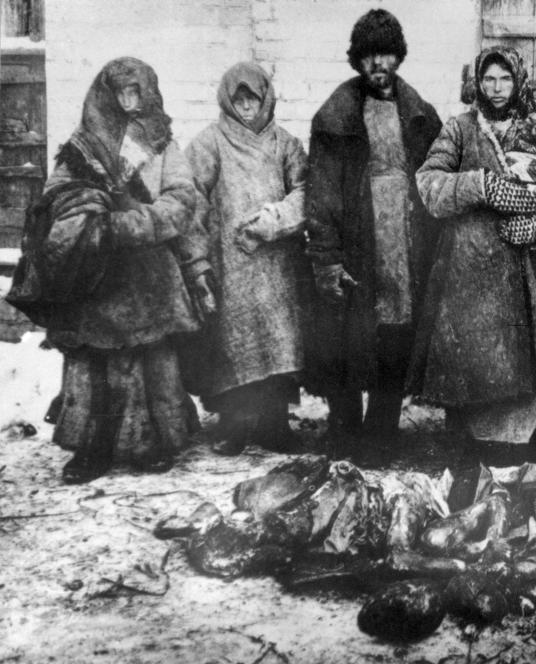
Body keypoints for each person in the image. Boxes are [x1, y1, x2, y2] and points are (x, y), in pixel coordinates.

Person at [6, 57, 212, 483]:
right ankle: (91, 448)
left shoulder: (161, 143)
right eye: (122, 92)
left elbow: (181, 199)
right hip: (97, 273)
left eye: (137, 92)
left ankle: (146, 443)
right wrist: (92, 224)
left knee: (148, 359)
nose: (130, 100)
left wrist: (133, 224)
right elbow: (58, 195)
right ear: (107, 94)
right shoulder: (81, 145)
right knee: (92, 362)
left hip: (148, 274)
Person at [410, 45, 536, 462]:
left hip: (523, 278)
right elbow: (429, 186)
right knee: (473, 371)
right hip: (468, 277)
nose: (497, 88)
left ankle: (514, 449)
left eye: (505, 79)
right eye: (489, 79)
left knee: (519, 372)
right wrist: (479, 185)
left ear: (518, 82)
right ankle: (472, 451)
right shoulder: (460, 130)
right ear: (477, 83)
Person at [305, 9, 442, 458]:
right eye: (368, 56)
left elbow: (435, 179)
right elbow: (322, 195)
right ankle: (343, 431)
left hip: (404, 242)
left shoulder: (421, 114)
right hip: (358, 242)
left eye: (386, 53)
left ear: (398, 56)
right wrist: (326, 258)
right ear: (357, 61)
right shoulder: (336, 116)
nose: (378, 64)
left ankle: (382, 431)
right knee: (345, 339)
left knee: (395, 336)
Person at [184, 62, 312, 456]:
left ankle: (276, 426)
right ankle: (235, 426)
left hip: (277, 268)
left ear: (266, 100)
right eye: (238, 98)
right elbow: (189, 203)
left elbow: (308, 191)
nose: (246, 106)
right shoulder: (209, 144)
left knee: (278, 348)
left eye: (253, 98)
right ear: (227, 99)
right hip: (230, 266)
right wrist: (198, 263)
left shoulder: (285, 144)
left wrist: (277, 220)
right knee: (234, 346)